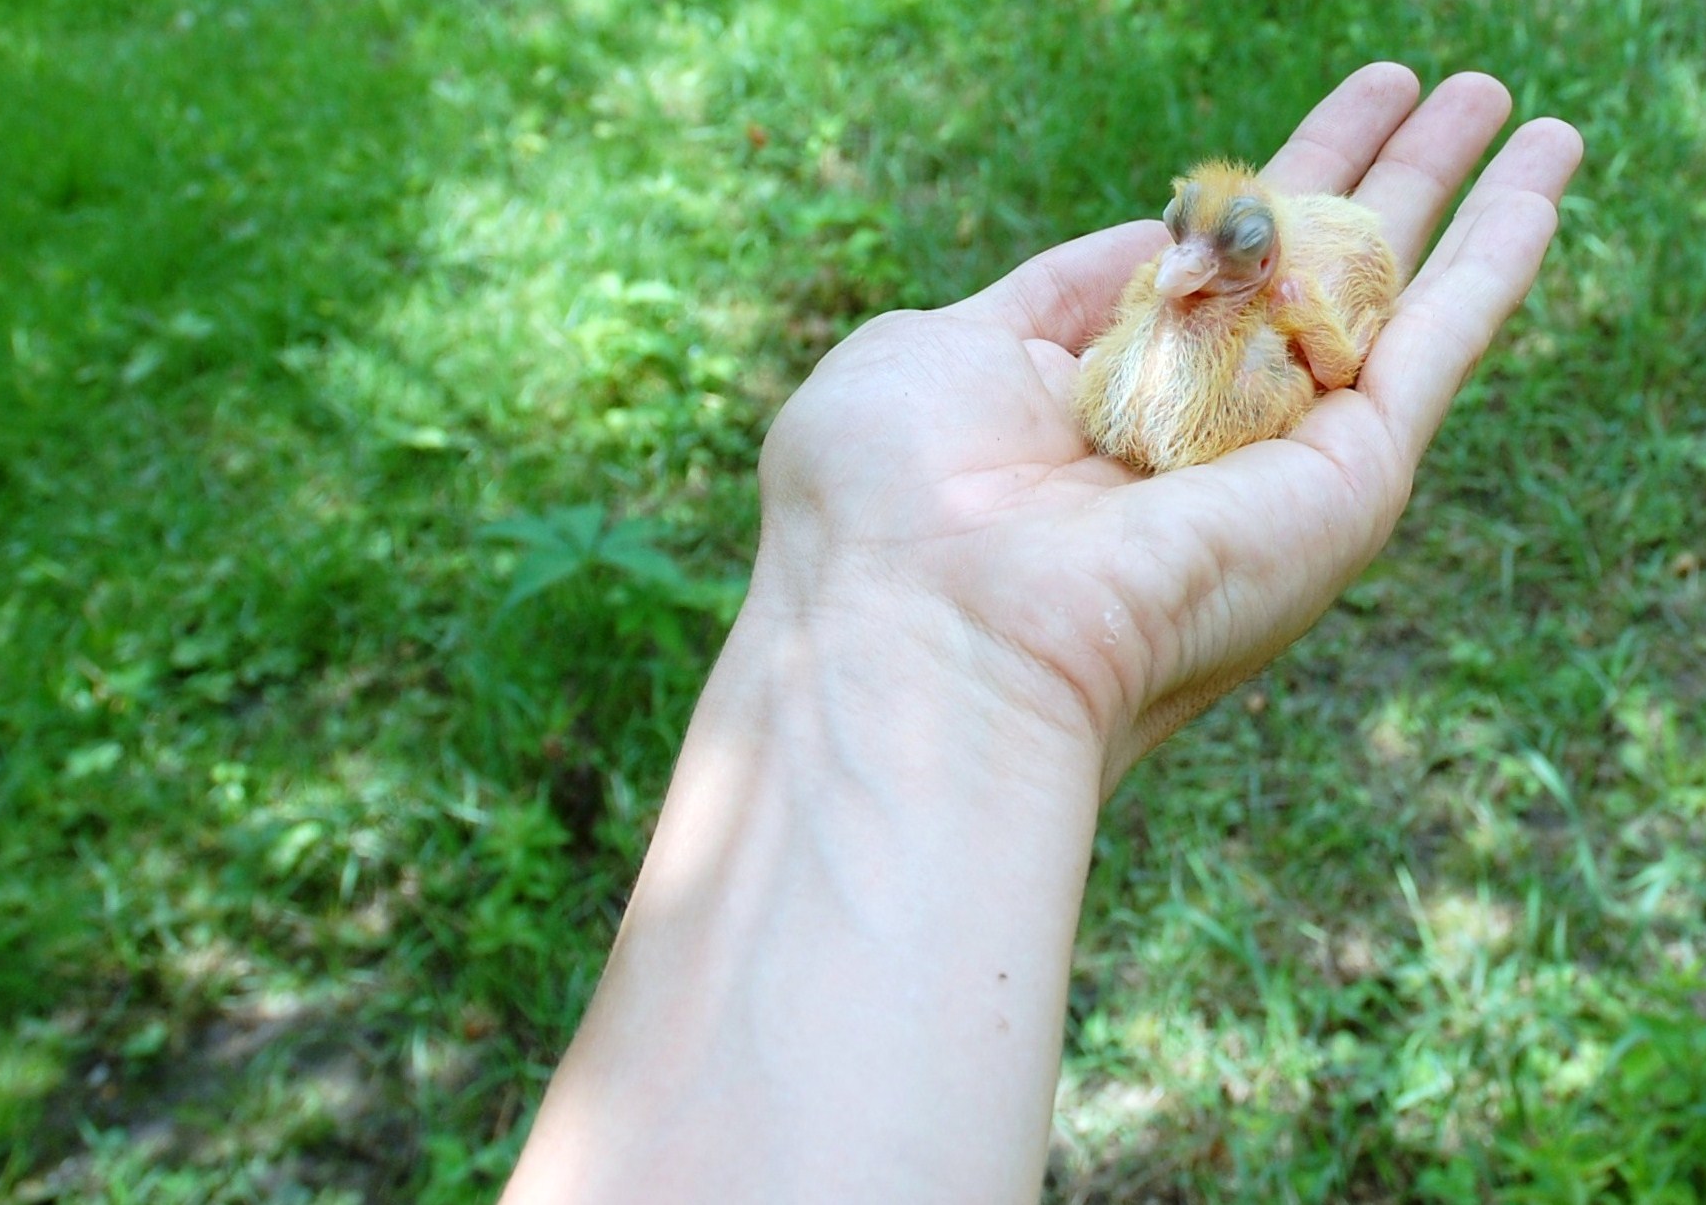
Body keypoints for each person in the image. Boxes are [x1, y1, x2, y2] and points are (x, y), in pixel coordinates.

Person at [500, 64, 1584, 1203]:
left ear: (1263, 274)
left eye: (1219, 257)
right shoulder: (1156, 328)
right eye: (1179, 241)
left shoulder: (1268, 346)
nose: (1175, 273)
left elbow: (1334, 356)